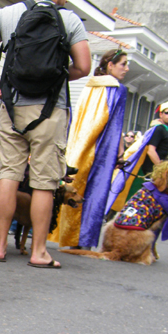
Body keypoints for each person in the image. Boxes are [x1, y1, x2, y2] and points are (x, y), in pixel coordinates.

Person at [0, 0, 90, 268]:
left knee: (8, 175)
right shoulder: (69, 19)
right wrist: (57, 75)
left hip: (13, 107)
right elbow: (84, 66)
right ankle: (38, 252)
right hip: (51, 110)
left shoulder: (9, 13)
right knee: (44, 182)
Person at [52, 48, 129, 249]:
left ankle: (66, 235)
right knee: (94, 192)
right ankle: (82, 239)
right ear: (110, 65)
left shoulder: (89, 86)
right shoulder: (118, 89)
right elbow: (115, 126)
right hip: (101, 150)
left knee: (75, 187)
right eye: (123, 64)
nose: (126, 69)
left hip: (79, 146)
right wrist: (119, 154)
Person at [110, 102, 168, 213]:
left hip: (155, 173)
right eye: (166, 112)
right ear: (161, 114)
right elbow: (151, 151)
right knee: (136, 204)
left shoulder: (166, 130)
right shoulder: (158, 129)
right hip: (148, 173)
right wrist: (162, 169)